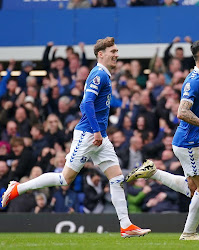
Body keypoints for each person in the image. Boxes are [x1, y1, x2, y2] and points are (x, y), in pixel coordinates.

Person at [1, 37, 150, 238]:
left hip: (100, 136)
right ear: (101, 54)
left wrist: (100, 133)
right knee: (64, 179)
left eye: (116, 51)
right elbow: (86, 104)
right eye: (113, 51)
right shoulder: (99, 75)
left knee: (116, 178)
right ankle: (18, 188)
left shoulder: (104, 74)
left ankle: (126, 225)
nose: (116, 54)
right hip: (89, 134)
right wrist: (96, 131)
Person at [126, 38, 199, 240]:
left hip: (190, 140)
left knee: (193, 188)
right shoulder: (195, 80)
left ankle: (154, 173)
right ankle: (188, 233)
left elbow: (198, 108)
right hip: (189, 141)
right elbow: (182, 112)